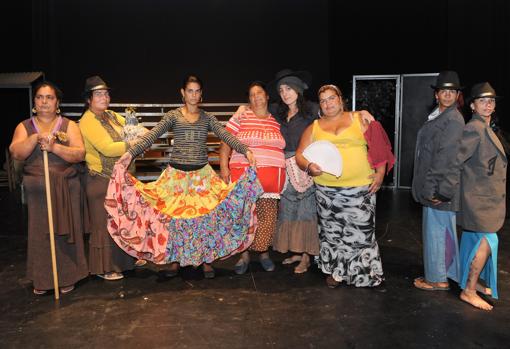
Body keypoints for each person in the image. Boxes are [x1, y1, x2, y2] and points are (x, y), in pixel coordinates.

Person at [111, 75, 259, 279]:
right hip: (176, 179)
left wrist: (246, 150)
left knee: (204, 220)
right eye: (190, 91)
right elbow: (152, 135)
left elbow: (226, 136)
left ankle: (206, 261)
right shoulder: (173, 116)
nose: (194, 95)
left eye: (197, 91)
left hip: (202, 178)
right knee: (175, 221)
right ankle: (174, 261)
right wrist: (130, 153)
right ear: (182, 93)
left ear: (201, 94)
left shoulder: (207, 118)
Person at [296, 84, 394, 288]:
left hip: (360, 188)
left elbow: (378, 146)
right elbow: (299, 155)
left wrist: (381, 173)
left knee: (360, 233)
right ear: (319, 105)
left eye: (332, 98)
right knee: (334, 233)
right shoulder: (314, 127)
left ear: (340, 100)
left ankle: (357, 273)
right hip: (326, 191)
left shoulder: (358, 119)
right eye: (323, 100)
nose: (328, 103)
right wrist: (309, 166)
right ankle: (338, 271)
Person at [9, 81, 88, 295]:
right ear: (34, 103)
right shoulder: (24, 126)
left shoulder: (69, 125)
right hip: (38, 191)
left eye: (49, 97)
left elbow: (79, 154)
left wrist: (54, 147)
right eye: (40, 97)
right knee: (40, 233)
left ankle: (68, 276)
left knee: (65, 231)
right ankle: (43, 279)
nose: (44, 101)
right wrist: (34, 139)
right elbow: (16, 152)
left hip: (65, 187)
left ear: (57, 103)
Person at [441, 82, 506, 310]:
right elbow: (456, 161)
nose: (488, 104)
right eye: (482, 101)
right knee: (489, 240)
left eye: (491, 101)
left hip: (486, 199)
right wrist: (444, 191)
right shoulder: (474, 128)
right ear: (472, 106)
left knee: (471, 240)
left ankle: (470, 282)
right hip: (478, 201)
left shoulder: (488, 128)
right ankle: (468, 291)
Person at [220, 81, 286, 274]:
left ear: (267, 96)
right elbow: (225, 142)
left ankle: (263, 253)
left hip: (271, 181)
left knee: (267, 219)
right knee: (244, 219)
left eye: (259, 93)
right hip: (243, 178)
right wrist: (224, 167)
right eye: (251, 94)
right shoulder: (241, 116)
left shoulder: (276, 120)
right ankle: (244, 255)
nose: (256, 97)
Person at [411, 71, 465, 292]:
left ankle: (437, 279)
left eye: (452, 91)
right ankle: (448, 273)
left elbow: (446, 158)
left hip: (439, 188)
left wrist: (436, 190)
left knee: (437, 235)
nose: (448, 95)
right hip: (436, 186)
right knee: (444, 232)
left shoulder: (453, 119)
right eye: (444, 91)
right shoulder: (438, 115)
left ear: (457, 94)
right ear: (437, 95)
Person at [79, 76, 136, 281]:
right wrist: (134, 144)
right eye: (99, 94)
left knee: (120, 222)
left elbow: (135, 128)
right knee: (103, 226)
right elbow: (107, 148)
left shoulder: (111, 115)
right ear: (89, 99)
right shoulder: (87, 120)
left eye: (106, 93)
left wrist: (139, 135)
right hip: (101, 181)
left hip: (118, 179)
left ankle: (124, 262)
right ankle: (105, 268)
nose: (104, 97)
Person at [266, 69, 320, 274]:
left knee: (307, 211)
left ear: (298, 89)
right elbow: (255, 106)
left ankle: (307, 257)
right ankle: (297, 251)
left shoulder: (312, 110)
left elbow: (336, 113)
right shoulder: (277, 112)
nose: (285, 93)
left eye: (289, 88)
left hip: (305, 165)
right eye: (281, 90)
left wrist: (361, 113)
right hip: (284, 169)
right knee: (289, 211)